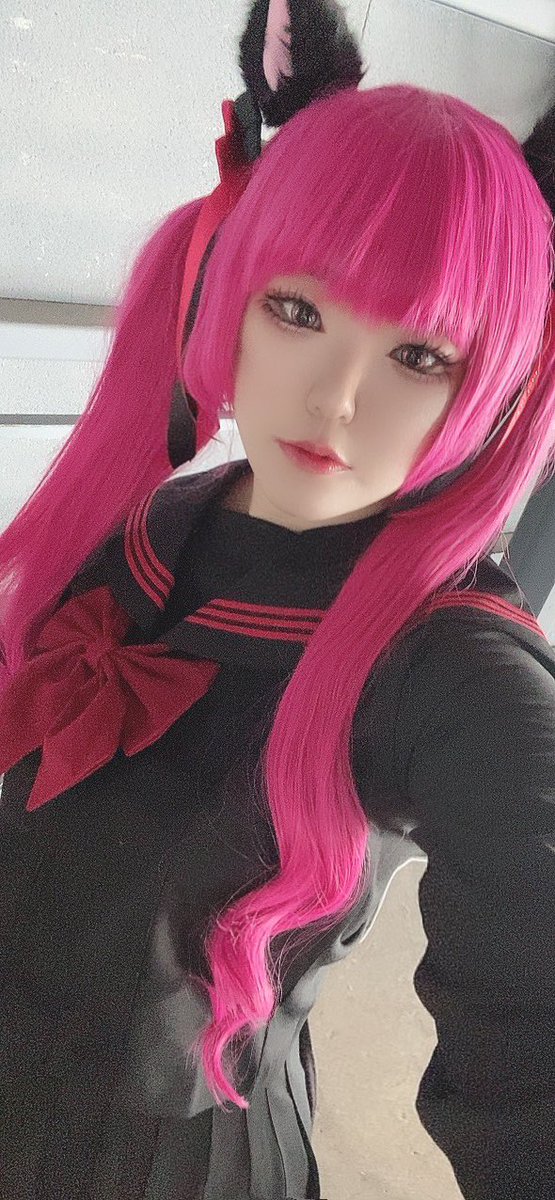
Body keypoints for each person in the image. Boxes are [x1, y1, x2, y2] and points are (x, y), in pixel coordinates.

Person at [0, 1, 554, 1198]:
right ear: (232, 286)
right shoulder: (154, 520)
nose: (336, 399)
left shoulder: (450, 669)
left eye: (421, 355)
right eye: (299, 310)